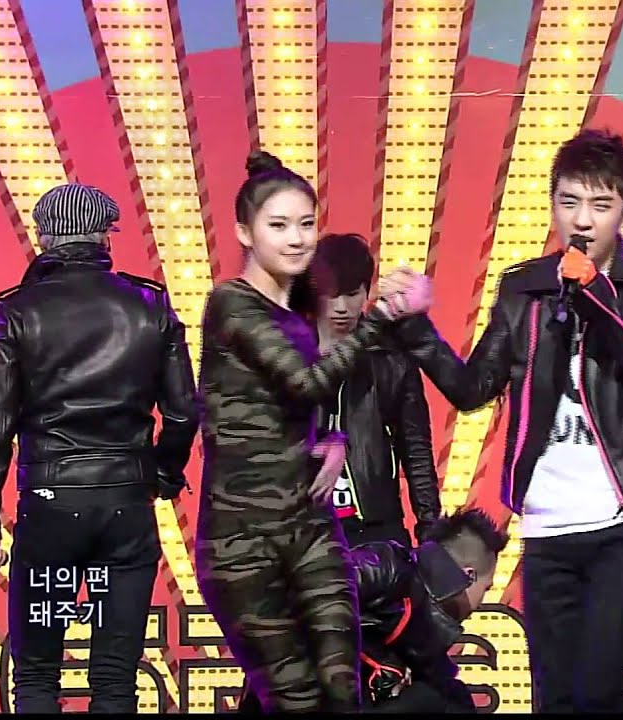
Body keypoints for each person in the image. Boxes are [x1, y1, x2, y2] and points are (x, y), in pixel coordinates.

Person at [380, 129, 623, 712]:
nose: (582, 220)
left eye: (600, 205)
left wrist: (594, 296)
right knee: (557, 699)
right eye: (569, 202)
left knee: (598, 688)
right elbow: (473, 389)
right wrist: (413, 326)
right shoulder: (524, 288)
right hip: (550, 521)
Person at [194, 150, 428, 712]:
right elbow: (304, 384)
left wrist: (334, 438)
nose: (297, 239)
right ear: (244, 232)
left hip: (311, 527)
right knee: (295, 700)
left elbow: (298, 402)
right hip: (243, 542)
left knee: (343, 692)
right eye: (278, 226)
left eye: (305, 224)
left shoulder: (296, 313)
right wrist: (383, 316)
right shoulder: (231, 304)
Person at [0, 183, 199, 713]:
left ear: (44, 239)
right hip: (126, 512)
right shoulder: (149, 303)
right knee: (114, 679)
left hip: (50, 514)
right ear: (105, 237)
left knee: (37, 675)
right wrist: (161, 476)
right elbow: (184, 411)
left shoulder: (18, 311)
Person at [238, 507, 510, 713]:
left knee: (452, 698)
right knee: (433, 700)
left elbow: (440, 678)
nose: (481, 602)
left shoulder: (429, 623)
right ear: (468, 575)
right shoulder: (389, 567)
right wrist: (377, 659)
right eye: (486, 589)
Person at [310, 233, 441, 548]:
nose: (342, 307)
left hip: (376, 528)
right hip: (306, 533)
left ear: (367, 291)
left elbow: (416, 449)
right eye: (331, 295)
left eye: (352, 294)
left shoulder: (390, 357)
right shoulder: (285, 352)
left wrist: (430, 532)